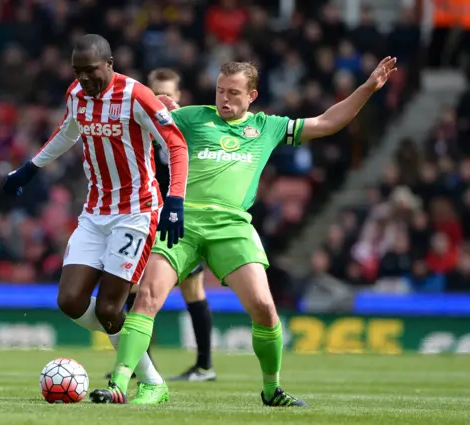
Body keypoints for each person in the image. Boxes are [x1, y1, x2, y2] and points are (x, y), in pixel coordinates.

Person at [90, 57, 398, 405]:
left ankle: (272, 390)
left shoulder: (268, 127)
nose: (224, 98)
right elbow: (142, 123)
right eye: (220, 90)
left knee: (265, 308)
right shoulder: (192, 117)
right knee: (147, 299)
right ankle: (118, 384)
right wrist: (153, 105)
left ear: (252, 94)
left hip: (232, 226)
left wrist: (368, 88)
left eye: (233, 93)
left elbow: (328, 122)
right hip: (182, 221)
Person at [1, 34, 189, 397]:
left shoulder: (136, 96)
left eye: (90, 70)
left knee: (109, 307)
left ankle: (147, 383)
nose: (84, 78)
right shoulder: (76, 94)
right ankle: (144, 368)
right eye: (77, 71)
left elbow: (176, 144)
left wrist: (175, 200)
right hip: (95, 212)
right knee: (69, 301)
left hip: (136, 211)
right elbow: (68, 132)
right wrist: (29, 169)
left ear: (110, 64)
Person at [104, 68, 216, 382]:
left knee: (192, 289)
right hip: (145, 213)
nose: (163, 98)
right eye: (156, 93)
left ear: (179, 98)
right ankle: (141, 364)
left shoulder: (190, 129)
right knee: (135, 285)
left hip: (181, 217)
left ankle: (205, 366)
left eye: (168, 94)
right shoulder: (138, 124)